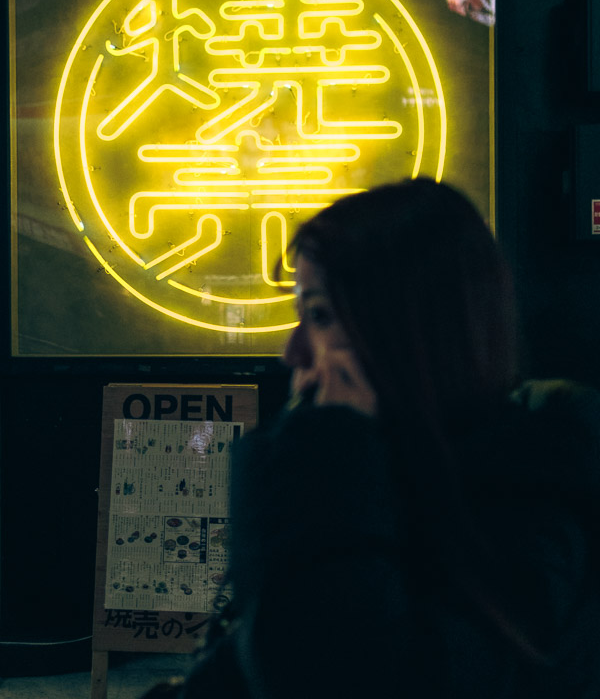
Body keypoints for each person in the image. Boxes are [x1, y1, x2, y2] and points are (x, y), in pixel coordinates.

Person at [145, 177, 600, 698]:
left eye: (320, 316)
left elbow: (334, 671)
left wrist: (324, 456)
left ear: (406, 330)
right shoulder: (389, 475)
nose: (292, 352)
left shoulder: (532, 508)